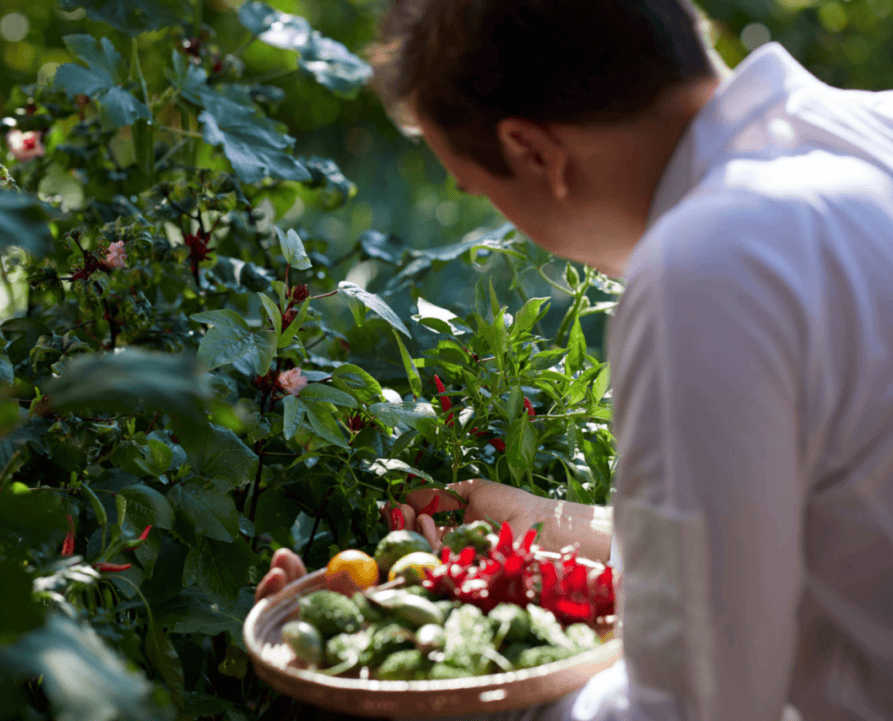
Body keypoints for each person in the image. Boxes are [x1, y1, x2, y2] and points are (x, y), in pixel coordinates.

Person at [259, 1, 893, 719]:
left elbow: (693, 707)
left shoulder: (709, 268)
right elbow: (810, 531)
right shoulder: (870, 129)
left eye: (482, 190)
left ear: (533, 152)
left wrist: (433, 677)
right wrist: (547, 526)